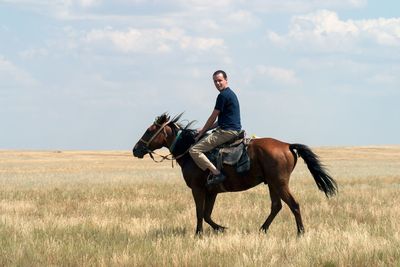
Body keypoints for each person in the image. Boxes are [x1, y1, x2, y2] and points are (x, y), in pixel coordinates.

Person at [189, 70, 242, 186]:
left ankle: (217, 173)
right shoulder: (230, 94)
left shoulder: (222, 95)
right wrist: (205, 129)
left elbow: (213, 117)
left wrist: (201, 132)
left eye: (220, 80)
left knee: (194, 150)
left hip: (227, 132)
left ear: (226, 80)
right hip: (231, 129)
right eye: (215, 81)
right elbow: (220, 121)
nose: (217, 83)